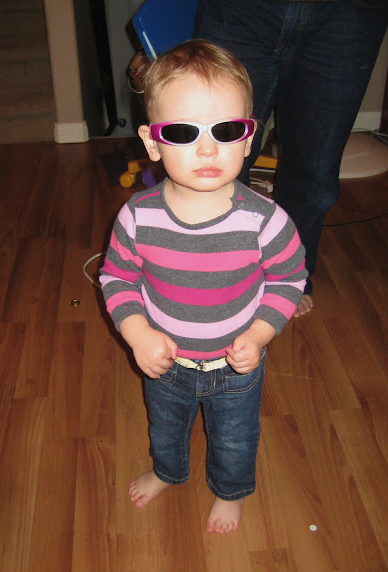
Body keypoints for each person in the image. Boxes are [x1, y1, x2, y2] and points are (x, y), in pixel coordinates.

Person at [99, 40, 307, 533]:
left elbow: (289, 278)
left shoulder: (266, 221)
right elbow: (117, 277)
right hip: (165, 363)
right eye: (183, 132)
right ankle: (166, 470)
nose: (209, 149)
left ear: (249, 137)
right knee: (165, 427)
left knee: (236, 439)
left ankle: (230, 491)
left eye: (227, 130)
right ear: (152, 143)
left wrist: (259, 335)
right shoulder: (137, 217)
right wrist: (137, 333)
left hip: (235, 367)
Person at [194, 0, 388, 317]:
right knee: (211, 158)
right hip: (241, 8)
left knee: (314, 171)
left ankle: (287, 276)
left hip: (352, 11)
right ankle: (217, 273)